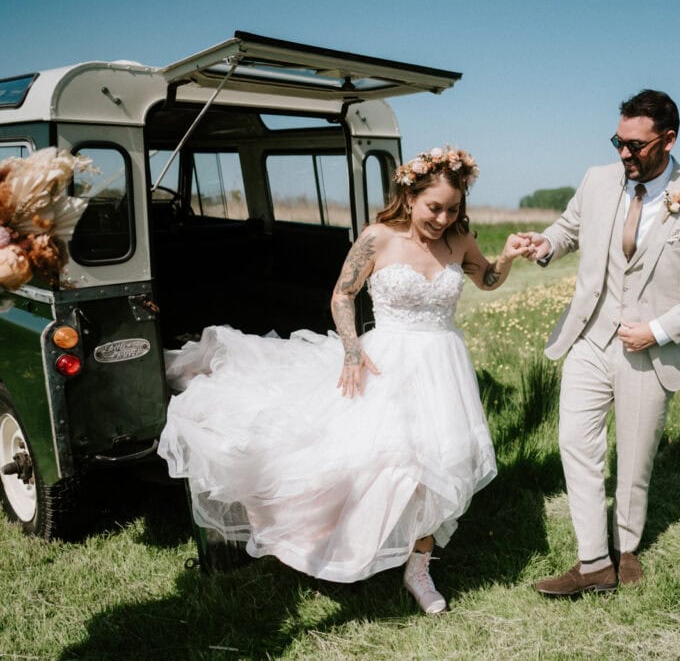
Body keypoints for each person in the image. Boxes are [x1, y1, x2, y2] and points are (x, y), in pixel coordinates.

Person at [158, 146, 530, 615]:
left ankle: (419, 567)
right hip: (388, 360)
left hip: (444, 364)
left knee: (446, 459)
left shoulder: (461, 238)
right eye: (433, 207)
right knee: (372, 459)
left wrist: (509, 256)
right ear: (410, 196)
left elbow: (488, 279)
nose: (442, 218)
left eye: (452, 208)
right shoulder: (378, 238)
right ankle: (342, 545)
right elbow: (343, 293)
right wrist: (353, 351)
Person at [520, 90, 680, 596]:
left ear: (668, 140)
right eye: (619, 141)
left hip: (649, 348)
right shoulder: (598, 180)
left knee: (635, 458)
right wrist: (545, 244)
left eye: (636, 145)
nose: (624, 153)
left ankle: (627, 549)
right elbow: (570, 228)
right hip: (588, 339)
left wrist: (659, 329)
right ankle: (593, 562)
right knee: (576, 445)